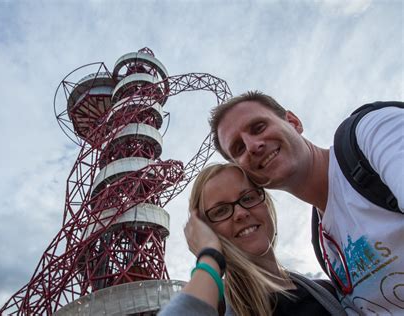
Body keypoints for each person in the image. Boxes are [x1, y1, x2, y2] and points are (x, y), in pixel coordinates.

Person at [209, 91, 403, 314]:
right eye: (239, 149)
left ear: (293, 122)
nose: (252, 146)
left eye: (259, 127)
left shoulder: (374, 132)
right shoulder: (323, 244)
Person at [159, 163, 345, 316]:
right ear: (204, 229)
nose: (240, 213)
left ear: (266, 203)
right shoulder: (216, 305)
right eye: (221, 211)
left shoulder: (330, 292)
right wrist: (209, 256)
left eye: (248, 198)